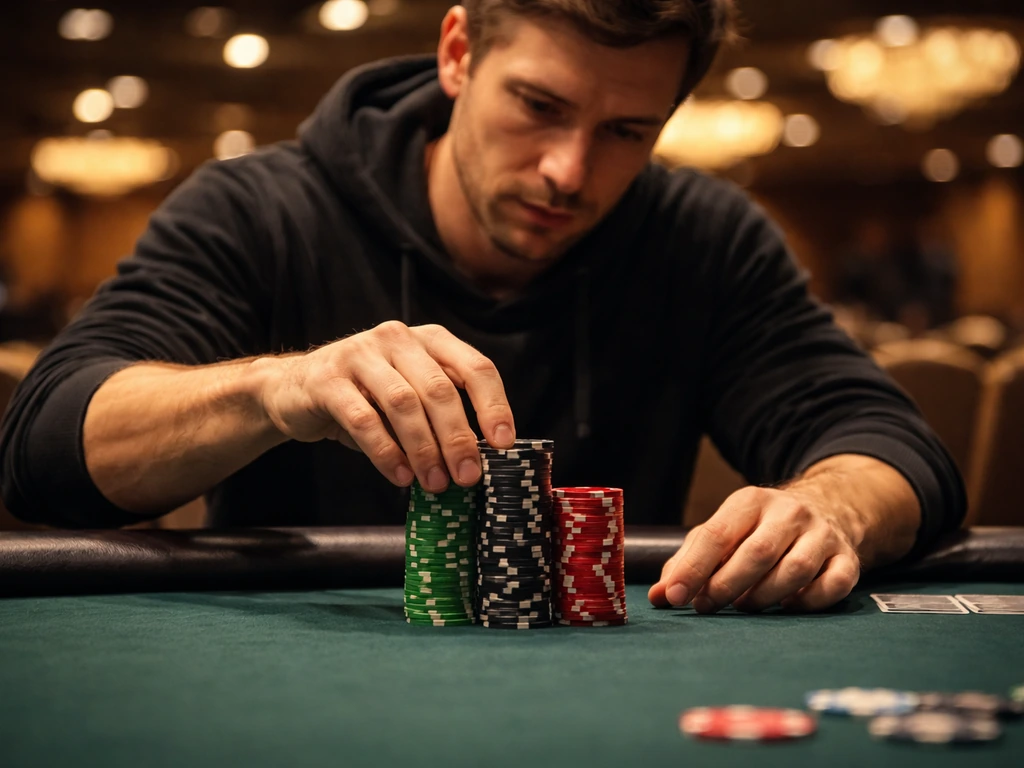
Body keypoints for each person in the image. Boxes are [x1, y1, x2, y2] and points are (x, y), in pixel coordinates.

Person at [0, 0, 964, 614]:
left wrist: (833, 503)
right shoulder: (257, 207)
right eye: (540, 105)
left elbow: (888, 440)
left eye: (627, 131)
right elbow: (46, 450)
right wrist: (278, 388)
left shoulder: (704, 236)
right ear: (459, 53)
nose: (569, 172)